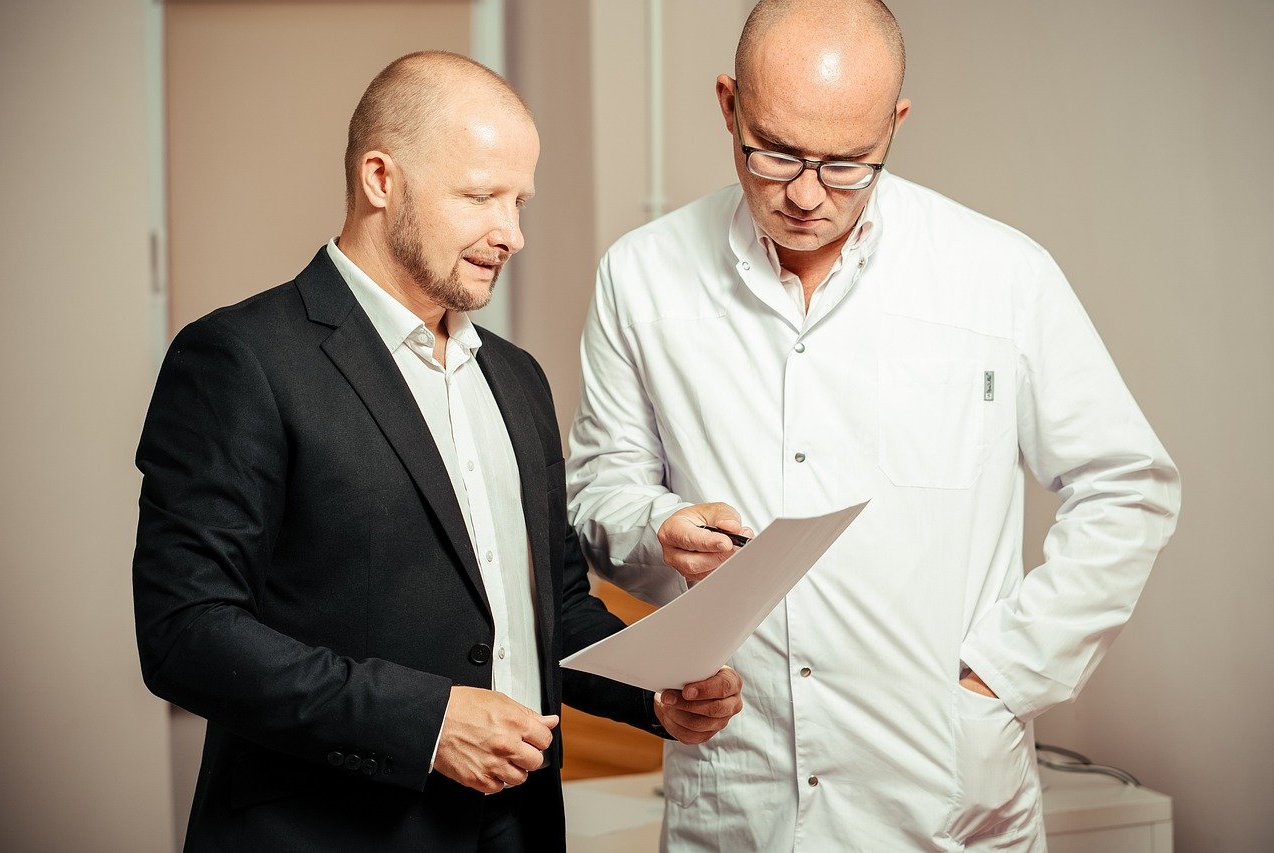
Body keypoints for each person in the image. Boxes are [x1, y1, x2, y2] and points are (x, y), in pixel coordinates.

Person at [566, 1, 1180, 850]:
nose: (806, 194)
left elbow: (1127, 485)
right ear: (728, 105)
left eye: (848, 163)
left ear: (894, 124)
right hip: (738, 788)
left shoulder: (1000, 274)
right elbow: (598, 491)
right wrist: (655, 526)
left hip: (941, 788)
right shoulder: (641, 277)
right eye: (775, 152)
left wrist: (1002, 676)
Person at [133, 51, 742, 852]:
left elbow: (551, 611)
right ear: (380, 179)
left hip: (521, 829)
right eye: (481, 196)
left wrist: (654, 692)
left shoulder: (518, 379)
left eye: (519, 201)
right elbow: (186, 633)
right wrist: (426, 722)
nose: (512, 233)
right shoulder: (240, 359)